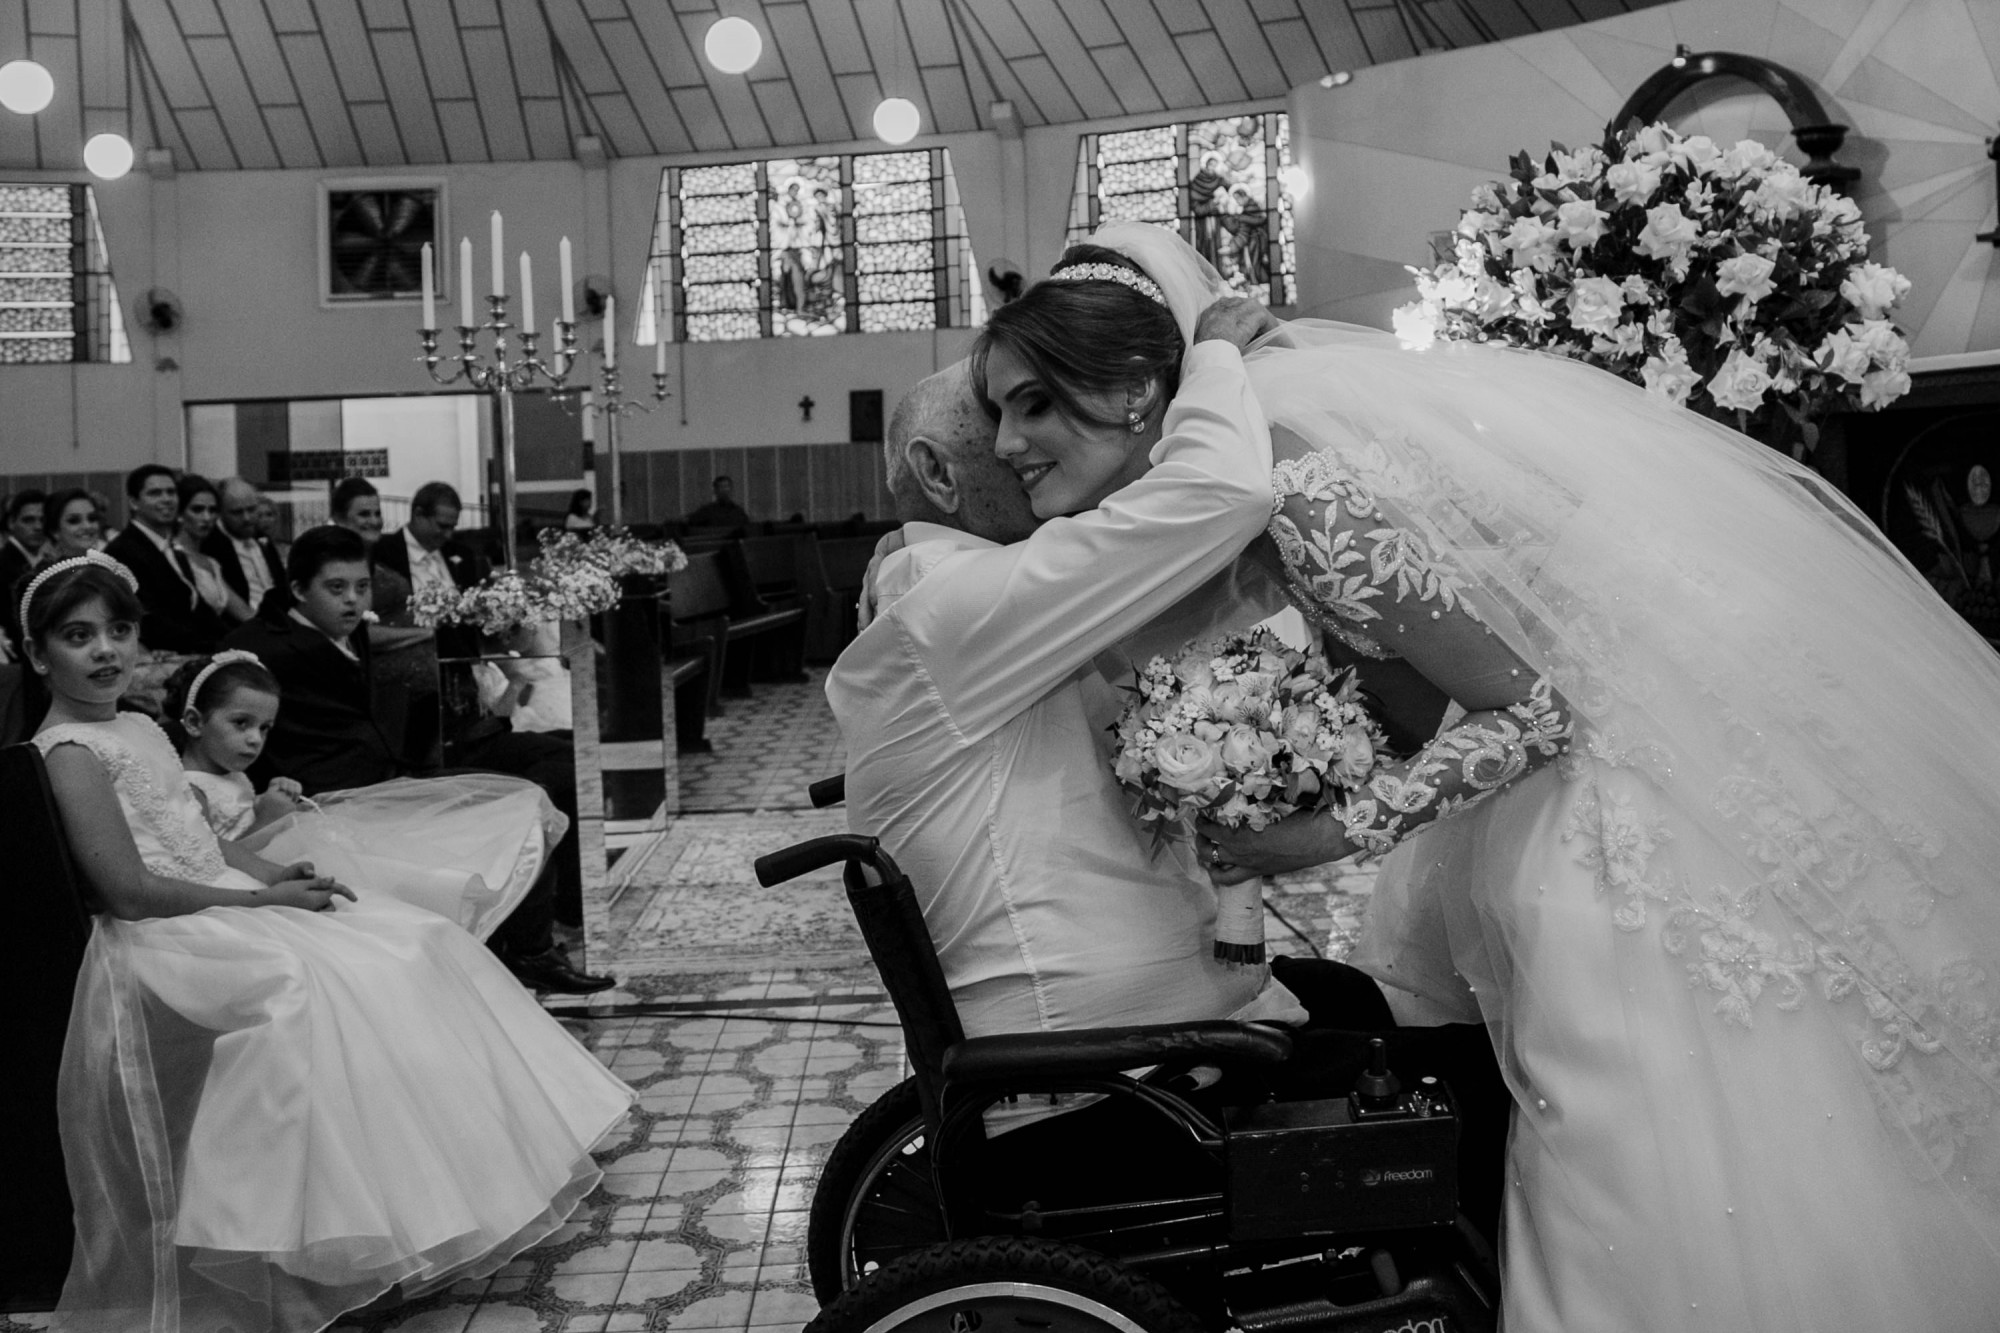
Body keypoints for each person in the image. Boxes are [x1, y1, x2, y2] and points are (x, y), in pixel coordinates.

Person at [975, 222, 2000, 1330]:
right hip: (1526, 779)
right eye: (995, 411)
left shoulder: (1299, 488)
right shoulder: (1231, 495)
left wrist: (1324, 834)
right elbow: (1413, 686)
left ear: (1134, 392)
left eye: (1030, 402)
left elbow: (1531, 710)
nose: (1004, 440)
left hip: (1608, 797)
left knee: (1645, 1116)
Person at [829, 340, 1509, 1239]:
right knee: (1487, 1087)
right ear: (936, 472)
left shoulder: (956, 598)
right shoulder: (949, 601)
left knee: (1378, 1000)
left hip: (1121, 1037)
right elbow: (1220, 494)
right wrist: (1218, 350)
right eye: (1006, 422)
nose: (1024, 450)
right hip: (1102, 1094)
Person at [19, 552, 632, 1331]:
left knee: (413, 939)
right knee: (311, 989)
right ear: (39, 653)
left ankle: (430, 1201)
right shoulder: (71, 751)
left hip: (215, 898)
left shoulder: (135, 723)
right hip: (160, 938)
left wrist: (274, 873)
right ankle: (288, 1242)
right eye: (79, 635)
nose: (106, 650)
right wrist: (264, 898)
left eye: (120, 631)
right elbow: (129, 890)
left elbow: (198, 837)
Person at [222, 525, 609, 994]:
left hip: (387, 772)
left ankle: (537, 936)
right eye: (336, 588)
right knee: (521, 799)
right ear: (299, 590)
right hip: (330, 795)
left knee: (542, 783)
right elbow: (233, 722)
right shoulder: (262, 648)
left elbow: (373, 643)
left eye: (361, 587)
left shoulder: (345, 629)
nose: (351, 601)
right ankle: (528, 950)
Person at [168, 649, 559, 941]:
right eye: (241, 724)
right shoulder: (192, 789)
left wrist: (270, 803)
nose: (254, 739)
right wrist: (268, 817)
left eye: (265, 728)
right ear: (193, 722)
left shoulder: (231, 775)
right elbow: (218, 861)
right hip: (268, 875)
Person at [102, 464, 226, 654]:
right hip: (164, 655)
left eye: (171, 492)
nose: (166, 499)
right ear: (134, 502)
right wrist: (210, 647)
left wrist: (234, 640)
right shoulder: (122, 552)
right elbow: (148, 619)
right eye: (155, 493)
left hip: (198, 647)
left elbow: (198, 609)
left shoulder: (173, 551)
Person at [173, 474, 254, 626]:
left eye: (212, 510)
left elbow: (243, 611)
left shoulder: (211, 562)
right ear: (179, 513)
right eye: (197, 510)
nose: (207, 517)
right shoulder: (171, 556)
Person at [202, 476, 286, 617]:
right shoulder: (212, 547)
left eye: (251, 509)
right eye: (237, 512)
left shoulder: (262, 540)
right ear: (220, 513)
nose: (247, 518)